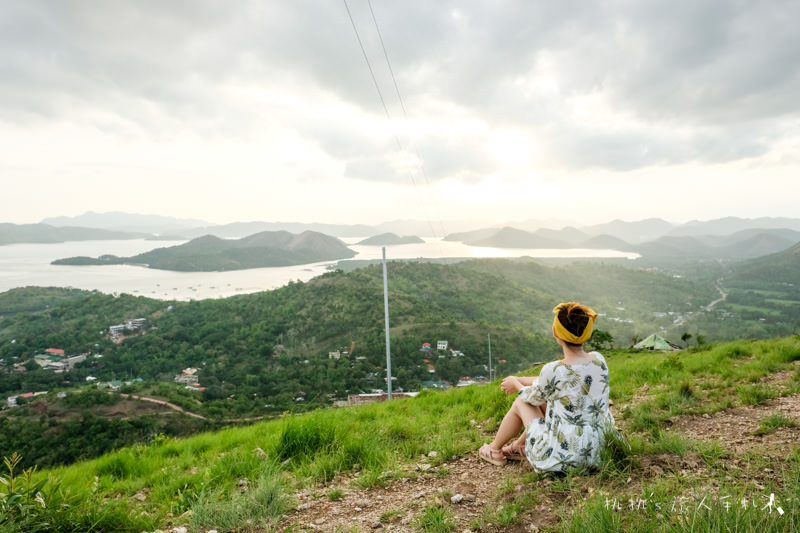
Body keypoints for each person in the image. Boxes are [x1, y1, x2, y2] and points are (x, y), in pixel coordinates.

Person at [478, 302, 615, 473]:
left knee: (522, 401)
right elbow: (558, 381)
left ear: (555, 332)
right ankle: (519, 446)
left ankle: (494, 449)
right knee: (549, 404)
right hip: (599, 450)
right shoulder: (598, 360)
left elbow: (532, 397)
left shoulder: (553, 369)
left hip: (568, 455)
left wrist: (517, 385)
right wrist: (520, 379)